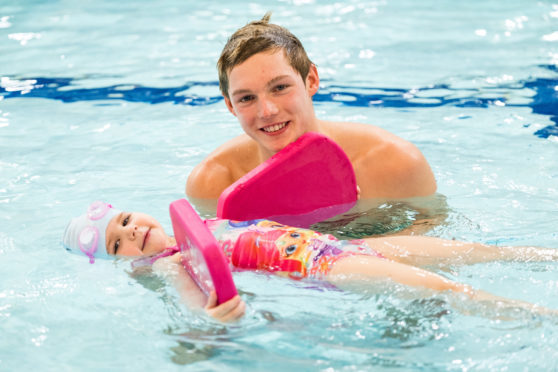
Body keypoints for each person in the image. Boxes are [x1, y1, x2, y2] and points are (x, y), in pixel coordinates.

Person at [63, 201, 558, 322]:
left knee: (481, 253)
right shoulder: (170, 262)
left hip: (338, 247)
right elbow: (195, 306)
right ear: (119, 263)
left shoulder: (194, 222)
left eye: (125, 219)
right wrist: (213, 315)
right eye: (117, 243)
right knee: (445, 288)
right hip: (323, 268)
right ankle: (539, 317)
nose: (129, 231)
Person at [186, 13, 437, 201]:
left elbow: (442, 256)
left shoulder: (395, 164)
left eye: (280, 88)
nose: (267, 111)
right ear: (230, 105)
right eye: (246, 98)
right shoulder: (215, 183)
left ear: (311, 80)